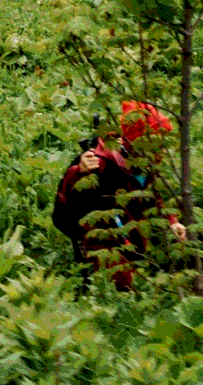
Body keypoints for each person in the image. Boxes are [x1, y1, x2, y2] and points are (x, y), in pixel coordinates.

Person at [51, 100, 186, 288]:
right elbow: (68, 196)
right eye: (157, 142)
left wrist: (172, 221)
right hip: (98, 228)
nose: (163, 149)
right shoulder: (103, 160)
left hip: (126, 220)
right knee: (124, 282)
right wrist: (79, 171)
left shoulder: (145, 160)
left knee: (136, 261)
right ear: (136, 143)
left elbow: (151, 195)